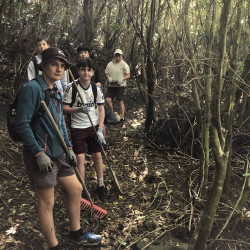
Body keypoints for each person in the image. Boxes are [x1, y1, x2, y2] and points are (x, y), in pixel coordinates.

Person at [15, 48, 102, 250]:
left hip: (59, 151)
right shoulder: (32, 88)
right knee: (47, 202)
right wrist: (37, 153)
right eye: (54, 64)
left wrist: (69, 147)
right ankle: (54, 246)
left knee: (76, 188)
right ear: (43, 66)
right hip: (41, 154)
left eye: (62, 66)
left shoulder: (56, 89)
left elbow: (59, 121)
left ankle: (76, 233)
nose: (59, 69)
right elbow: (22, 124)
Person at [63, 58, 108, 201]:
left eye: (88, 70)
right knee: (80, 157)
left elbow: (101, 109)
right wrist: (77, 110)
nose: (85, 73)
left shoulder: (96, 88)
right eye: (83, 69)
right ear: (78, 71)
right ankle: (81, 188)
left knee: (97, 155)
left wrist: (100, 129)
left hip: (93, 126)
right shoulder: (71, 88)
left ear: (93, 72)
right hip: (78, 127)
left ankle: (101, 184)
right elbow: (64, 108)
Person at [105, 49, 130, 122]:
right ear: (114, 55)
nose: (117, 57)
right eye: (116, 55)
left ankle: (122, 117)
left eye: (119, 55)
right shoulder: (110, 64)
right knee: (108, 99)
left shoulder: (124, 64)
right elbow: (106, 73)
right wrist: (108, 77)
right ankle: (112, 113)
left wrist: (122, 79)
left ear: (121, 56)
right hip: (111, 85)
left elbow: (128, 75)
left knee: (120, 101)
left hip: (120, 85)